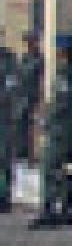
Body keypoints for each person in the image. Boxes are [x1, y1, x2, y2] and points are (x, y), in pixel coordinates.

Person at [28, 34, 72, 230]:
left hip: (60, 130)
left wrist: (44, 119)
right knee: (65, 171)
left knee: (50, 169)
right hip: (67, 129)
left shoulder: (65, 73)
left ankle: (49, 210)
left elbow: (61, 104)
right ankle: (65, 209)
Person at [14, 30, 43, 162]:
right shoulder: (24, 58)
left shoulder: (39, 59)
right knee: (21, 125)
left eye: (31, 42)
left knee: (33, 127)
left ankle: (32, 154)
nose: (29, 45)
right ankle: (22, 151)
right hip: (22, 96)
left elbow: (37, 77)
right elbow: (19, 76)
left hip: (34, 97)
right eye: (27, 43)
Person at [0, 44, 18, 212]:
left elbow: (11, 87)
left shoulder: (8, 60)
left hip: (3, 117)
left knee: (3, 159)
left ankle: (4, 197)